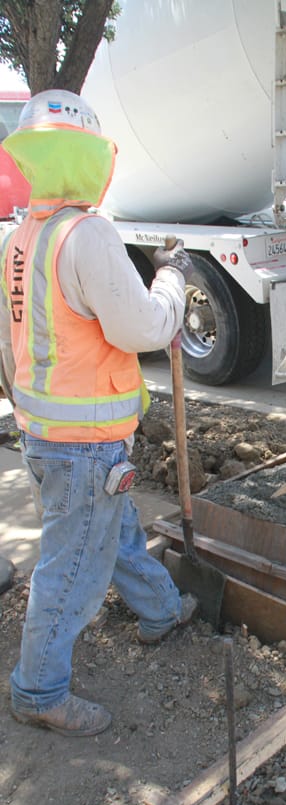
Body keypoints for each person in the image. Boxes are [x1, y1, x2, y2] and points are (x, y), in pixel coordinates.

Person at [0, 90, 199, 738]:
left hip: (49, 435)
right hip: (82, 442)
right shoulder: (87, 234)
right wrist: (171, 278)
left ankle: (162, 610)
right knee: (72, 573)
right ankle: (39, 690)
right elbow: (142, 326)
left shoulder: (24, 238)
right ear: (92, 159)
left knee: (105, 534)